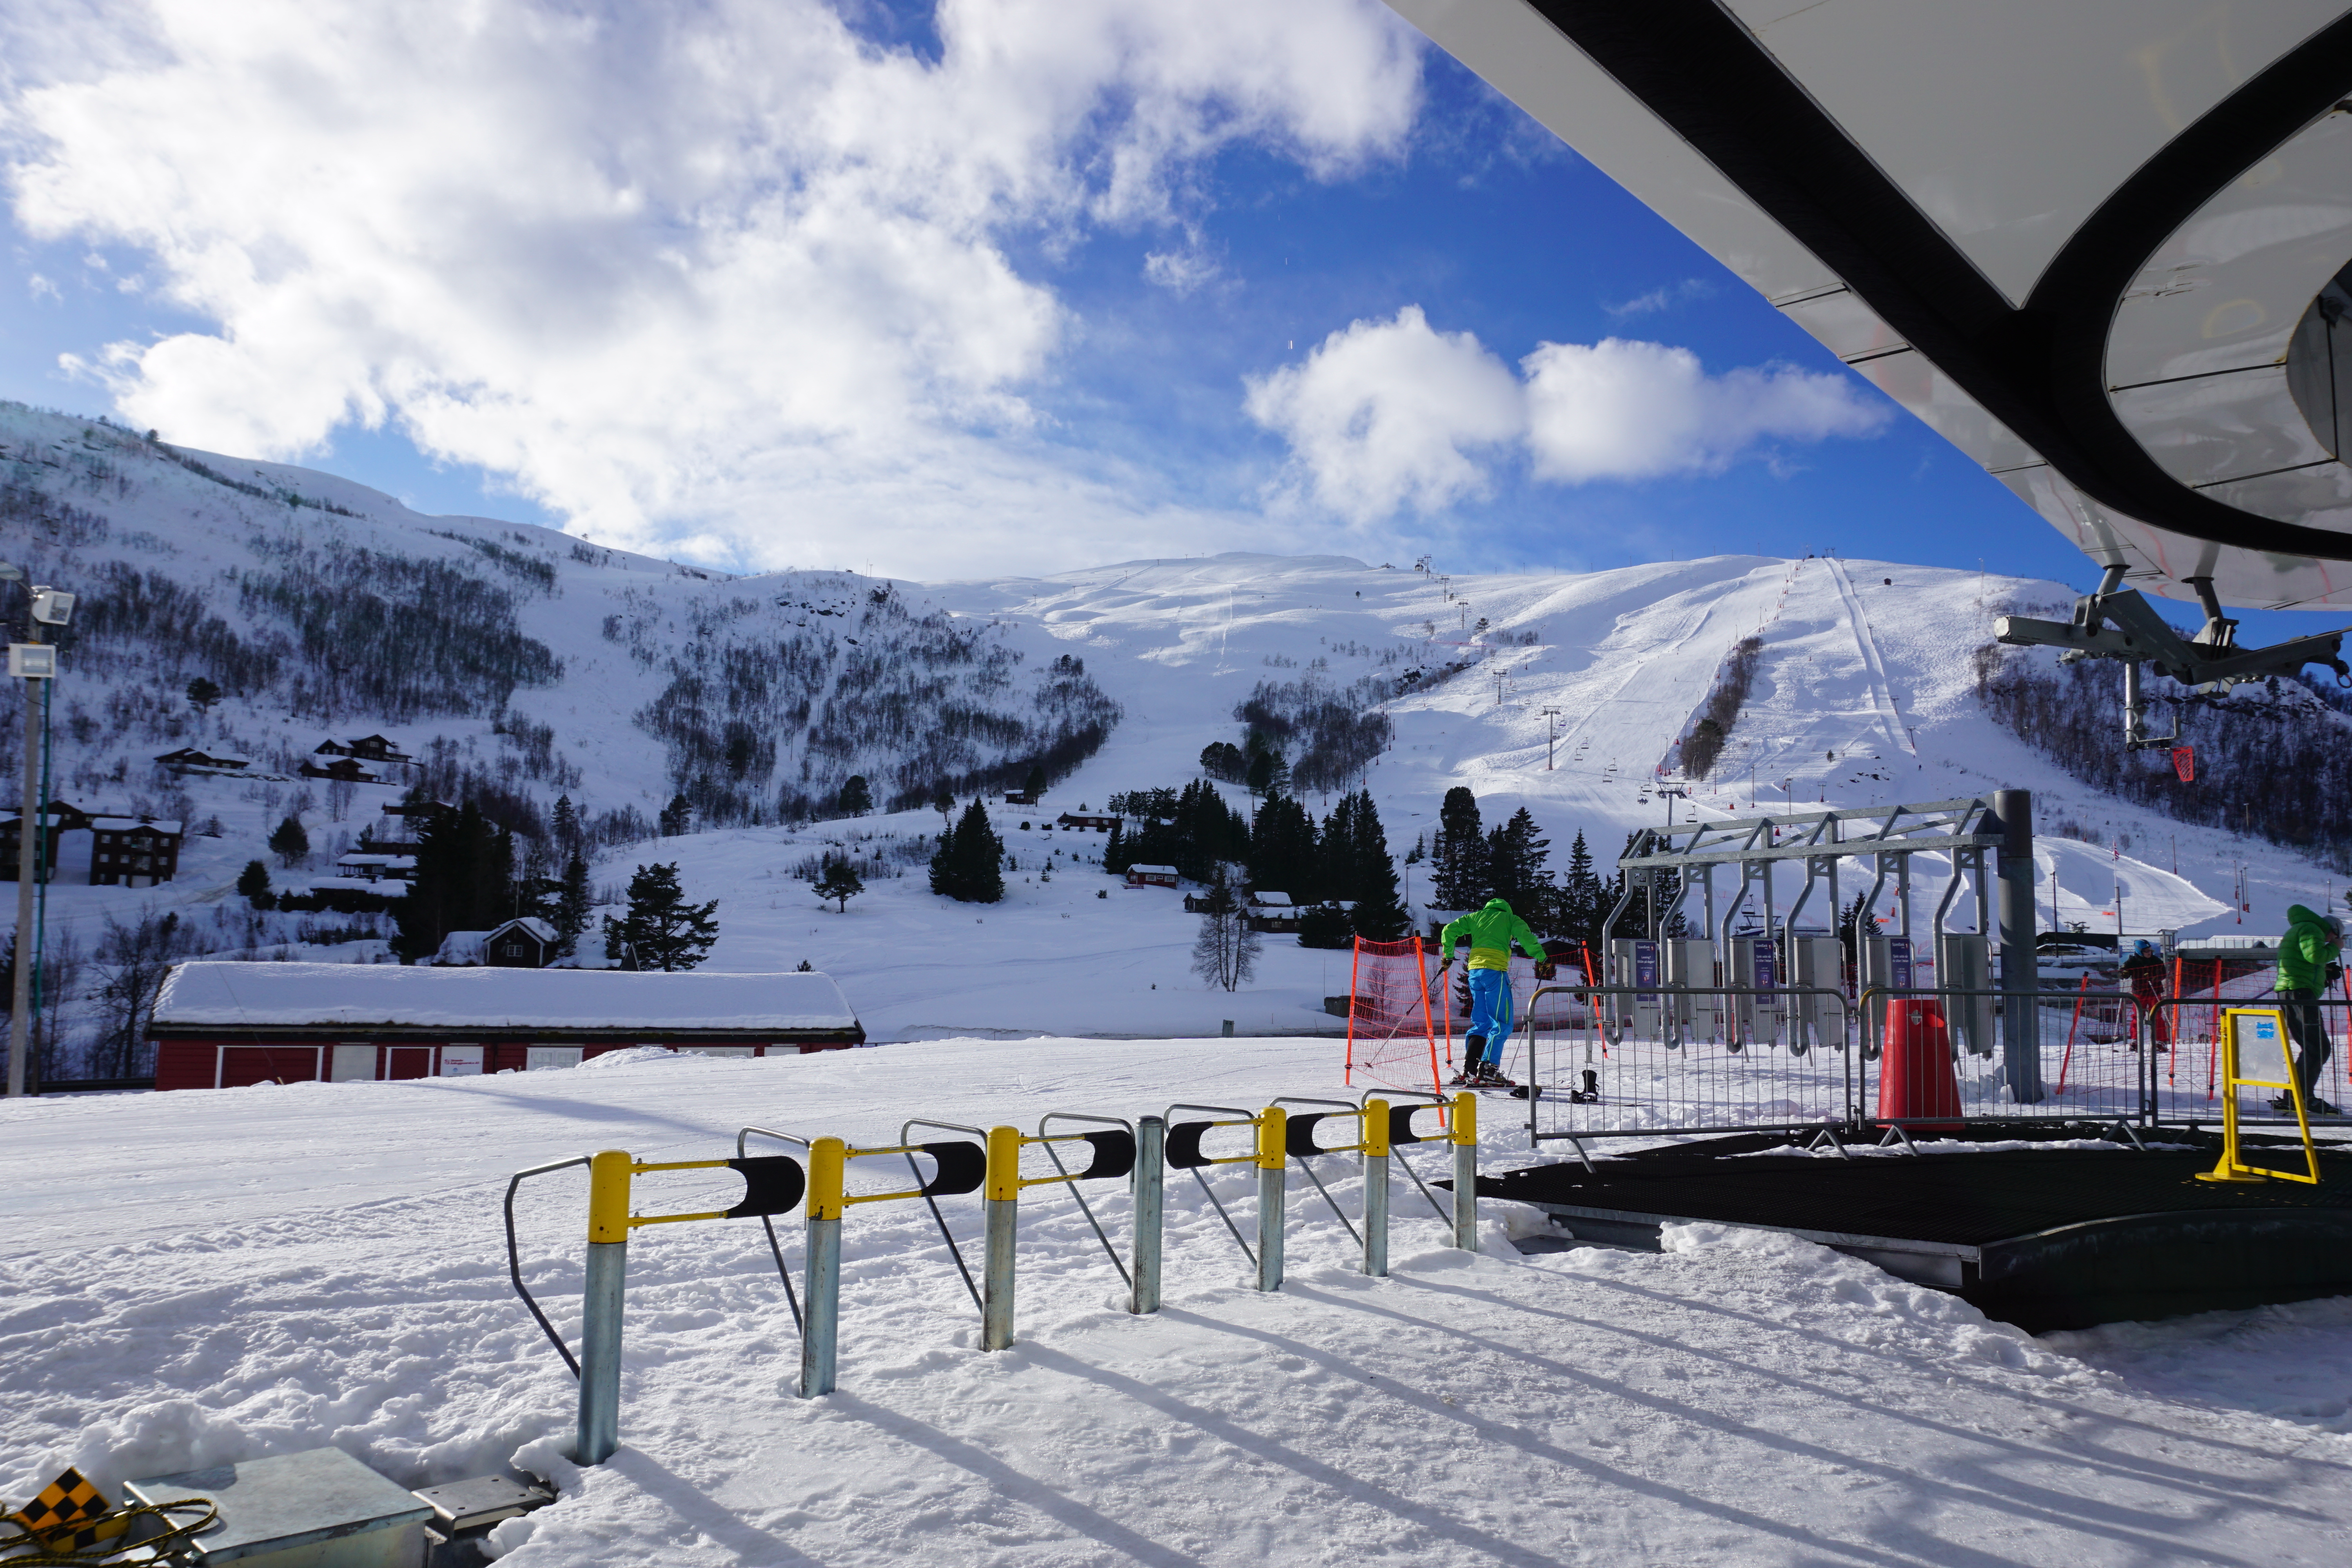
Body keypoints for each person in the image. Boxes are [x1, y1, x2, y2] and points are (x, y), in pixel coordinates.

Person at [1437, 897, 1556, 1087]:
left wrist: (1448, 955)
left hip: (1474, 973)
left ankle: (1470, 1069)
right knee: (1501, 1023)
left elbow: (1448, 931)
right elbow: (1527, 939)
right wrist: (1542, 958)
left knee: (1482, 1022)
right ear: (1506, 909)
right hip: (1495, 973)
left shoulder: (1475, 917)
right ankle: (1488, 1070)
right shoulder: (1511, 919)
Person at [2273, 904, 2343, 1116]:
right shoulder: (2312, 929)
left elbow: (2305, 960)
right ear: (2332, 930)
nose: (2331, 941)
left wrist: (2324, 971)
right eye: (2334, 937)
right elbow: (2314, 956)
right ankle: (2302, 1098)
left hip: (2295, 991)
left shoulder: (2303, 928)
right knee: (2318, 1047)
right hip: (2300, 993)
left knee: (2313, 1046)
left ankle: (2295, 1096)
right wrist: (2334, 949)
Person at [2119, 938, 2169, 1052]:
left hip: (2154, 992)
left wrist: (2154, 978)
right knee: (2137, 1017)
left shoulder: (2156, 961)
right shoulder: (2133, 961)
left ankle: (2160, 1041)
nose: (2149, 953)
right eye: (2146, 951)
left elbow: (2163, 974)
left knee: (2157, 1016)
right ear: (2139, 951)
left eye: (2150, 950)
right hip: (2139, 993)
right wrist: (2124, 973)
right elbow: (2123, 971)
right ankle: (2135, 1040)